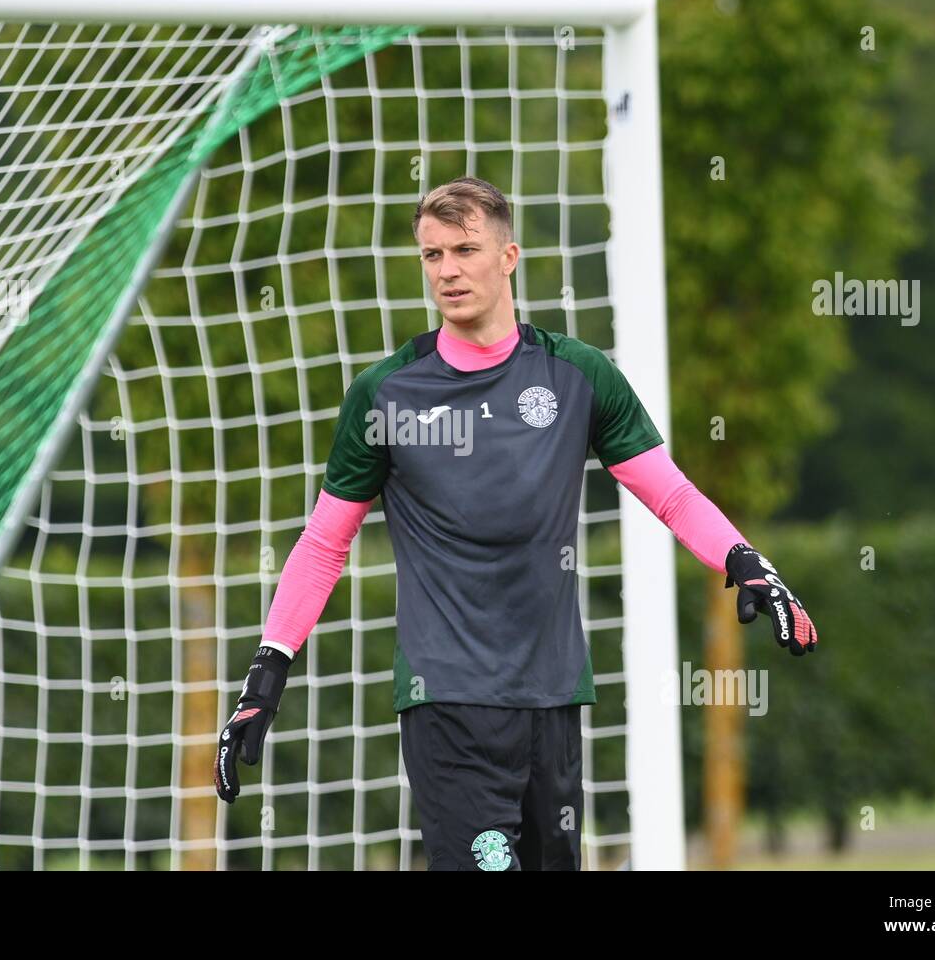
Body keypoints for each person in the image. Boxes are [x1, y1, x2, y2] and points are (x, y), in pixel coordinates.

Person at [213, 176, 818, 870]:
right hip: (449, 702)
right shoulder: (385, 394)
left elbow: (672, 494)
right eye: (432, 255)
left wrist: (744, 560)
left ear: (509, 256)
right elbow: (324, 542)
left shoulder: (579, 376)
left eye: (466, 249)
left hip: (554, 697)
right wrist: (264, 680)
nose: (448, 269)